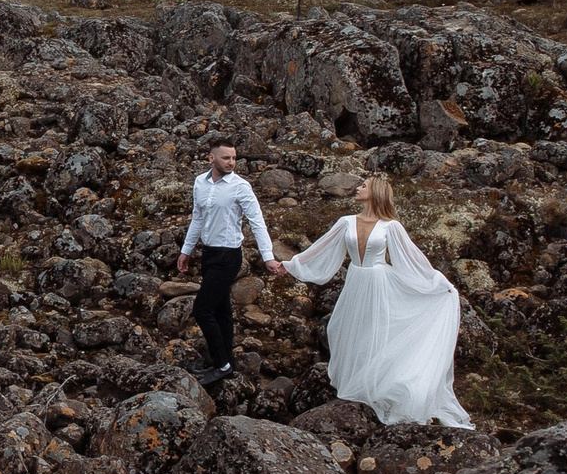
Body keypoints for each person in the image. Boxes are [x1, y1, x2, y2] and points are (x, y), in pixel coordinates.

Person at [275, 175, 472, 427]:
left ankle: (376, 388)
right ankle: (357, 386)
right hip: (356, 280)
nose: (357, 188)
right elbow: (320, 248)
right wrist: (290, 265)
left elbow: (413, 260)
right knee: (346, 330)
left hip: (380, 283)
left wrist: (439, 284)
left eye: (364, 186)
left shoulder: (391, 226)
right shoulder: (345, 222)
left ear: (376, 192)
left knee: (376, 332)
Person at [173, 139, 275, 381]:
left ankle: (221, 365)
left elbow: (257, 222)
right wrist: (186, 250)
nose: (231, 162)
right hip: (208, 253)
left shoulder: (241, 187)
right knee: (221, 310)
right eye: (226, 158)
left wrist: (268, 257)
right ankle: (226, 360)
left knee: (202, 309)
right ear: (212, 158)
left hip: (228, 255)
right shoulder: (200, 182)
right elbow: (197, 218)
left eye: (234, 158)